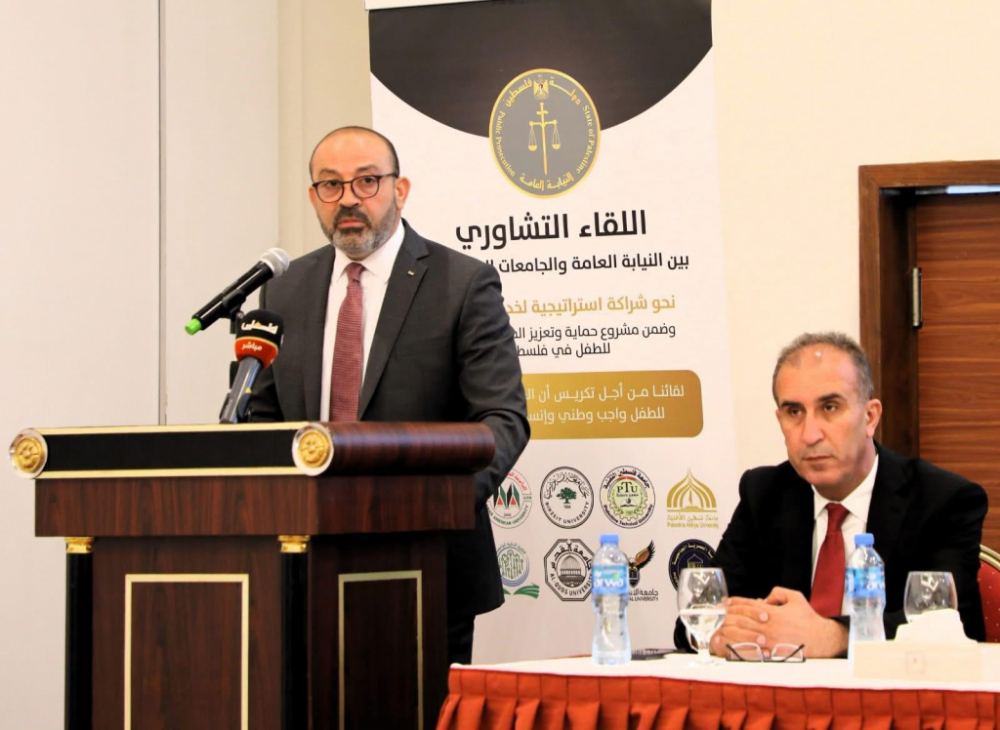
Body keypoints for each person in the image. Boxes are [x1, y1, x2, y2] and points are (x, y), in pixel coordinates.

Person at [248, 126, 530, 664]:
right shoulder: (285, 288)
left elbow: (503, 418)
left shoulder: (461, 283)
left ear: (400, 190)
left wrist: (433, 505)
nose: (348, 199)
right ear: (313, 197)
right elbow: (260, 416)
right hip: (303, 559)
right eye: (331, 185)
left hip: (427, 560)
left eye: (366, 181)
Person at [675, 332, 986, 658]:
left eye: (830, 407)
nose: (810, 434)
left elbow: (955, 625)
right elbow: (695, 619)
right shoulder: (764, 493)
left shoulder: (942, 500)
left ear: (870, 417)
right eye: (794, 412)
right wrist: (720, 635)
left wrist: (835, 637)